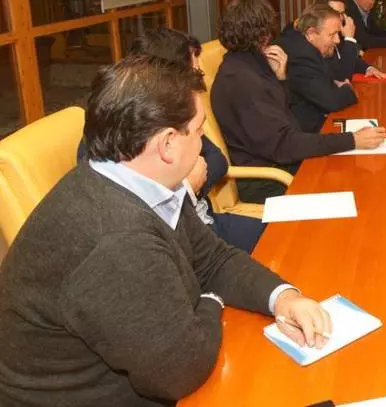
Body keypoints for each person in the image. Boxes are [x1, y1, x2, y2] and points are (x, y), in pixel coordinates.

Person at [0, 54, 331, 406]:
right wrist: (211, 301)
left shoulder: (143, 182)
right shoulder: (116, 239)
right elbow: (181, 372)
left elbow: (213, 258)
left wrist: (284, 298)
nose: (203, 143)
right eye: (199, 130)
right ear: (168, 143)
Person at [77, 28, 266, 253]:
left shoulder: (180, 116)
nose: (198, 80)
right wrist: (186, 186)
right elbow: (131, 220)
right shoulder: (109, 140)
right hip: (178, 245)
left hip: (205, 224)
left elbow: (217, 160)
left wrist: (191, 179)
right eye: (194, 73)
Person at [211, 0, 386, 202]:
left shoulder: (245, 64)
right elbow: (285, 144)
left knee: (358, 174)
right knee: (361, 187)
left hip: (282, 162)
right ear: (263, 34)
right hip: (270, 179)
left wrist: (282, 79)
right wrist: (353, 140)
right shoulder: (243, 81)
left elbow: (283, 115)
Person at [279, 4, 359, 133]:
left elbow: (329, 79)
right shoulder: (302, 55)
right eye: (332, 35)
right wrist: (348, 89)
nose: (338, 40)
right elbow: (331, 101)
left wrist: (333, 86)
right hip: (302, 133)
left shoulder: (307, 45)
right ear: (311, 33)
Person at [310, 0, 386, 82]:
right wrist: (349, 39)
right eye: (335, 13)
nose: (341, 18)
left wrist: (368, 68)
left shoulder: (336, 34)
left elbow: (349, 59)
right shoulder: (317, 39)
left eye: (342, 13)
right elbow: (342, 77)